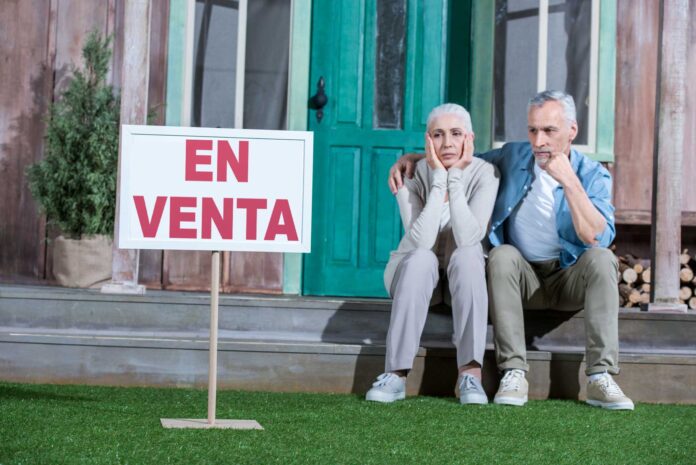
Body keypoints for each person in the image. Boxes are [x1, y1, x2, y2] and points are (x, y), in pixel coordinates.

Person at [388, 90, 634, 410]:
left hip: (568, 278)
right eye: (533, 130)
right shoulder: (514, 156)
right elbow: (463, 155)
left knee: (602, 259)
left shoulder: (593, 175)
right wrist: (417, 158)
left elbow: (595, 237)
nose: (539, 140)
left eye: (549, 131)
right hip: (522, 279)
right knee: (502, 254)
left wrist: (569, 181)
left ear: (572, 131)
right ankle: (513, 371)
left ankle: (601, 376)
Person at [366, 103, 499, 404]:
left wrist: (456, 177)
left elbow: (468, 238)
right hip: (414, 272)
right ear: (427, 140)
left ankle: (470, 374)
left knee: (468, 255)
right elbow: (422, 241)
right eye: (438, 135)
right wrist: (439, 178)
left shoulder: (486, 174)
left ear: (469, 138)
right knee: (422, 257)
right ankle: (396, 375)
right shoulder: (410, 174)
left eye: (455, 134)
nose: (447, 143)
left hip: (462, 278)